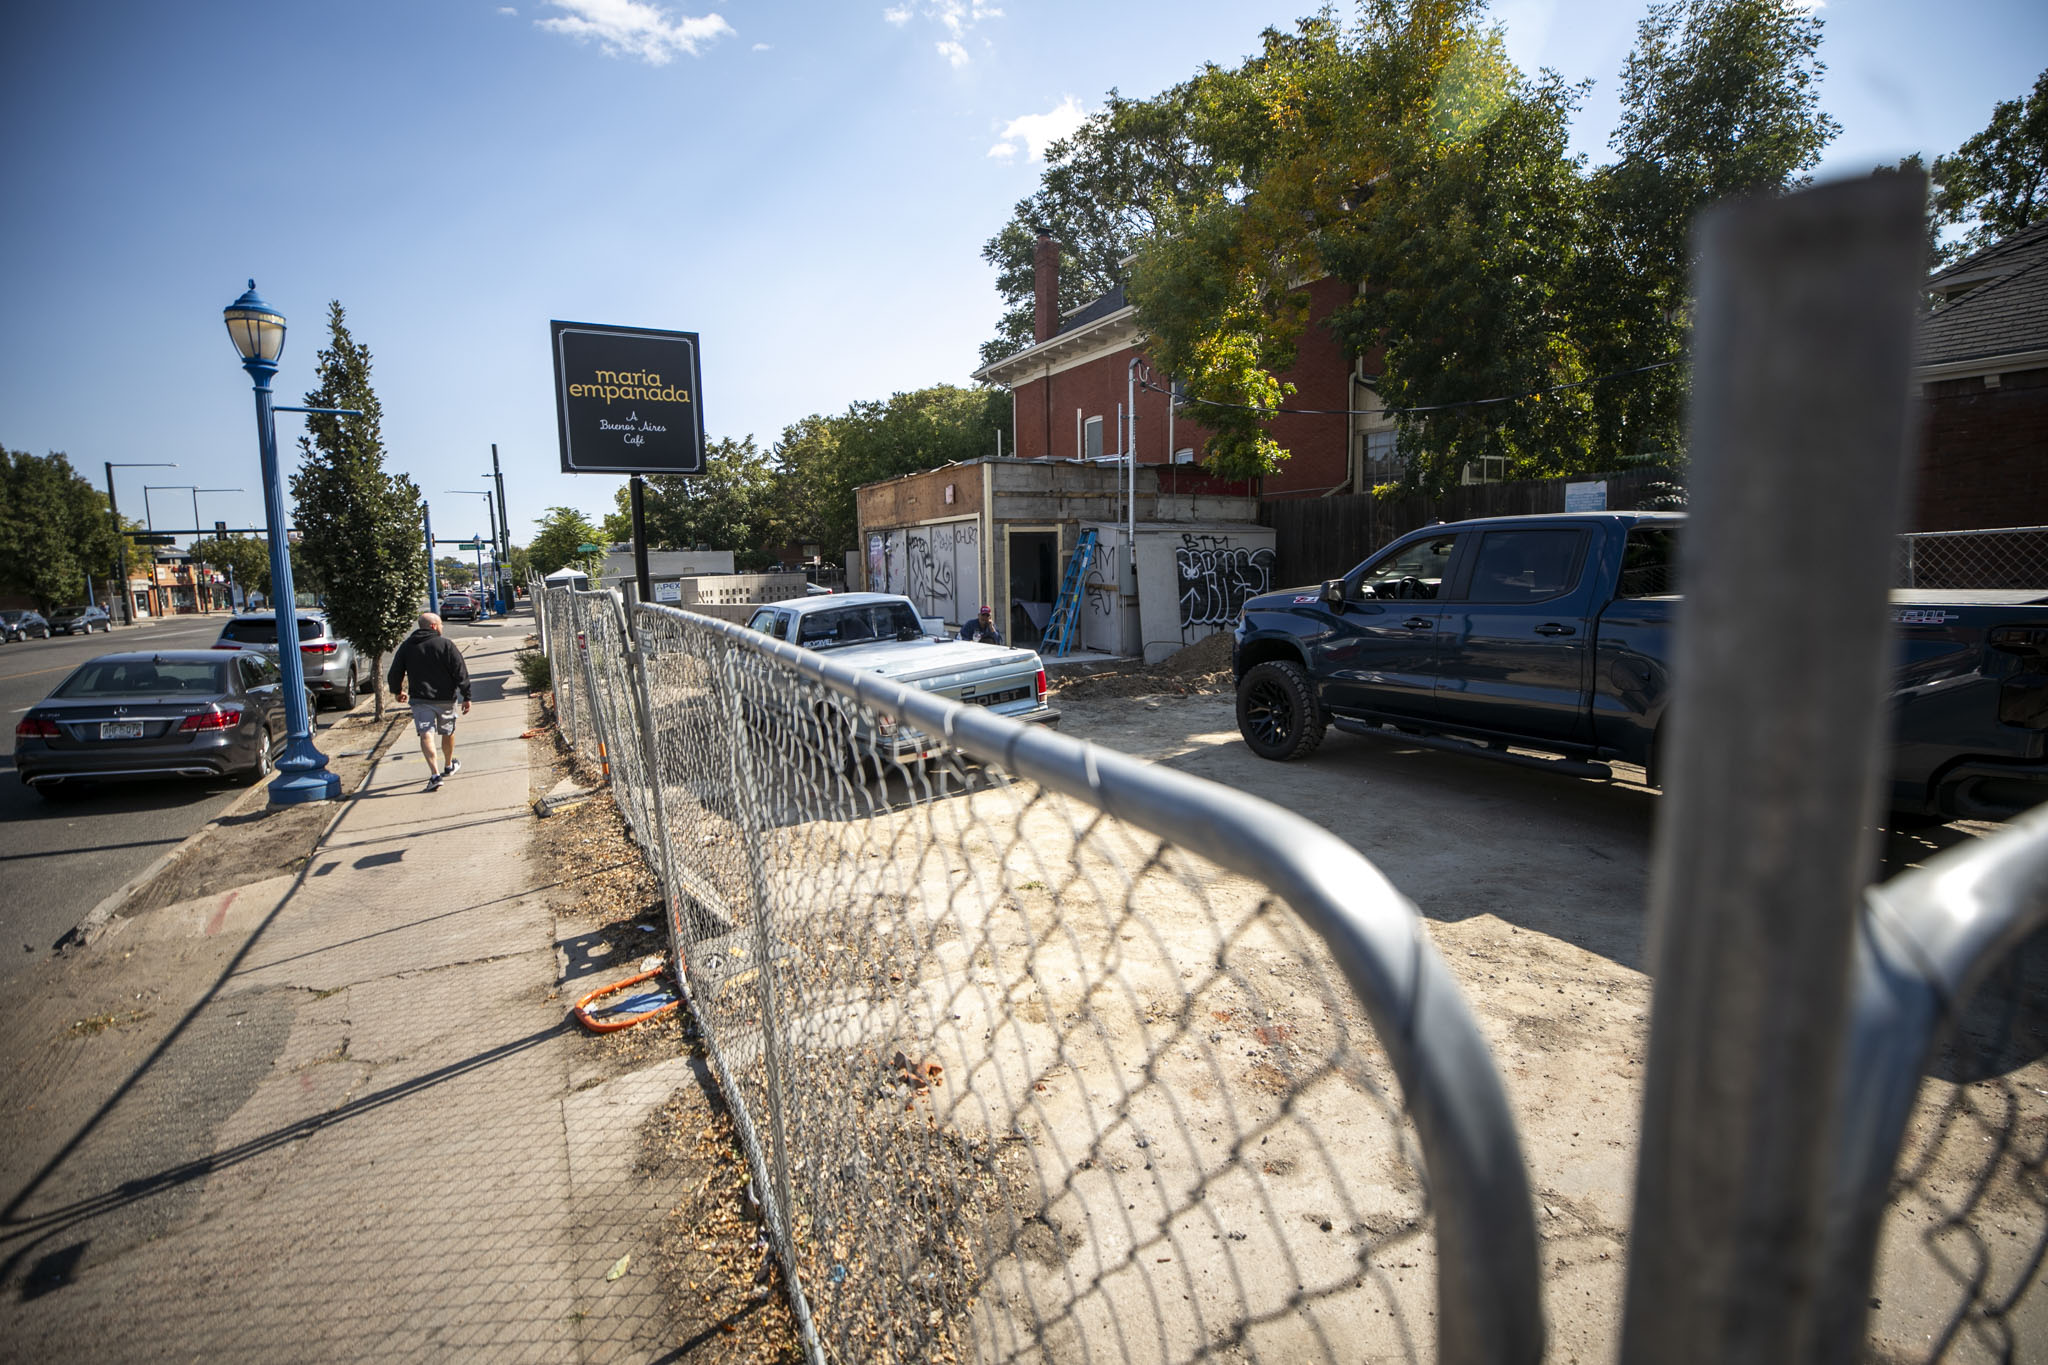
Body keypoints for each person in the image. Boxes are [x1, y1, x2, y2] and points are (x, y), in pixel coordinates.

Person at [388, 611, 472, 790]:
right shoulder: (446, 645)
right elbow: (460, 672)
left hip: (420, 699)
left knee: (426, 733)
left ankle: (434, 774)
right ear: (433, 626)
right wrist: (467, 695)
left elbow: (395, 671)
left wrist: (397, 691)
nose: (442, 627)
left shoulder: (407, 646)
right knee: (447, 732)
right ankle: (448, 765)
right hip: (445, 699)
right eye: (440, 624)